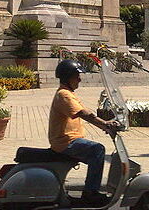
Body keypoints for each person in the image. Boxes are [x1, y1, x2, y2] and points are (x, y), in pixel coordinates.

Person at [49, 59, 118, 206]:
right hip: (65, 142)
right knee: (97, 150)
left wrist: (105, 125)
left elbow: (86, 112)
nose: (79, 79)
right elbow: (83, 113)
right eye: (77, 76)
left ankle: (91, 191)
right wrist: (105, 124)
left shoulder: (68, 93)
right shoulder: (64, 95)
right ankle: (90, 193)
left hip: (68, 140)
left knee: (94, 150)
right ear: (67, 77)